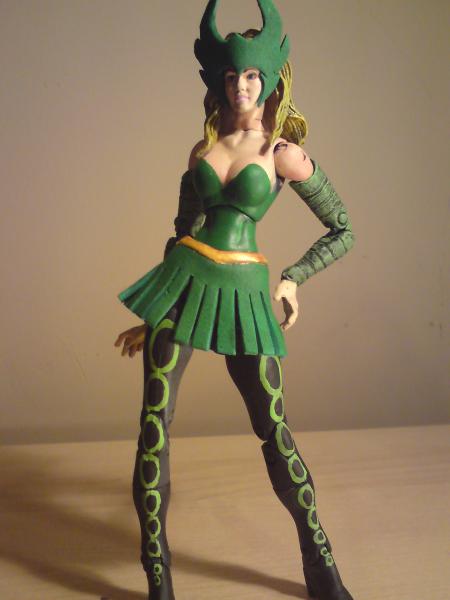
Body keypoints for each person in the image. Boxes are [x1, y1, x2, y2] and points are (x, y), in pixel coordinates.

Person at [115, 2, 355, 599]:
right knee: (153, 429)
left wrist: (294, 278)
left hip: (246, 297)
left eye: (251, 75)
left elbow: (342, 228)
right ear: (220, 82)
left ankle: (322, 568)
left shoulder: (282, 154)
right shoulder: (200, 152)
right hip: (183, 288)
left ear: (270, 80)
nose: (241, 85)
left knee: (274, 429)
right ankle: (158, 581)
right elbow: (181, 234)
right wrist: (156, 307)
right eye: (232, 75)